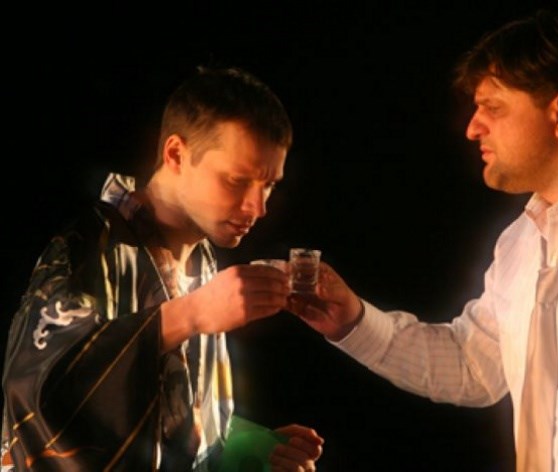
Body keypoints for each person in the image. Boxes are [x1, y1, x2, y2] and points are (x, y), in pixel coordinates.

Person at [288, 9, 558, 472]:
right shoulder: (522, 240)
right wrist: (352, 320)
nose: (473, 127)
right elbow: (475, 367)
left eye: (493, 107)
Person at [1, 66, 324, 471]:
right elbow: (36, 391)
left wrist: (254, 449)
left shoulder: (202, 260)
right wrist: (189, 314)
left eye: (269, 184)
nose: (257, 208)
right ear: (176, 155)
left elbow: (169, 419)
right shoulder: (87, 246)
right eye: (236, 180)